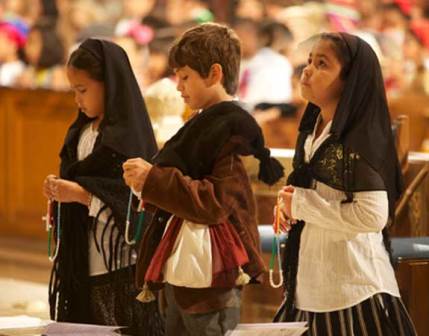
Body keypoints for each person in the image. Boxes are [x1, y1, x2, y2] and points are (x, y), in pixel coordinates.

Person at [122, 23, 284, 336]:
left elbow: (215, 202)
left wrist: (154, 180)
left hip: (212, 276)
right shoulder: (201, 123)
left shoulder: (232, 129)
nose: (178, 86)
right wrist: (148, 181)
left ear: (213, 74)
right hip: (184, 265)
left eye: (185, 77)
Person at [274, 32, 417, 335]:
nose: (308, 70)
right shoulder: (314, 128)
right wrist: (292, 204)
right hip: (311, 282)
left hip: (352, 289)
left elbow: (372, 216)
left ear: (349, 81)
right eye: (310, 60)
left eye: (323, 64)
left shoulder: (358, 140)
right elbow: (319, 196)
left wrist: (300, 203)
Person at [42, 38, 164, 335]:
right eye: (74, 91)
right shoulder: (80, 132)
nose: (77, 100)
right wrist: (57, 188)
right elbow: (78, 177)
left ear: (109, 85)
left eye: (82, 90)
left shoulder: (127, 139)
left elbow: (134, 201)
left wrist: (81, 195)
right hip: (82, 257)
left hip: (119, 262)